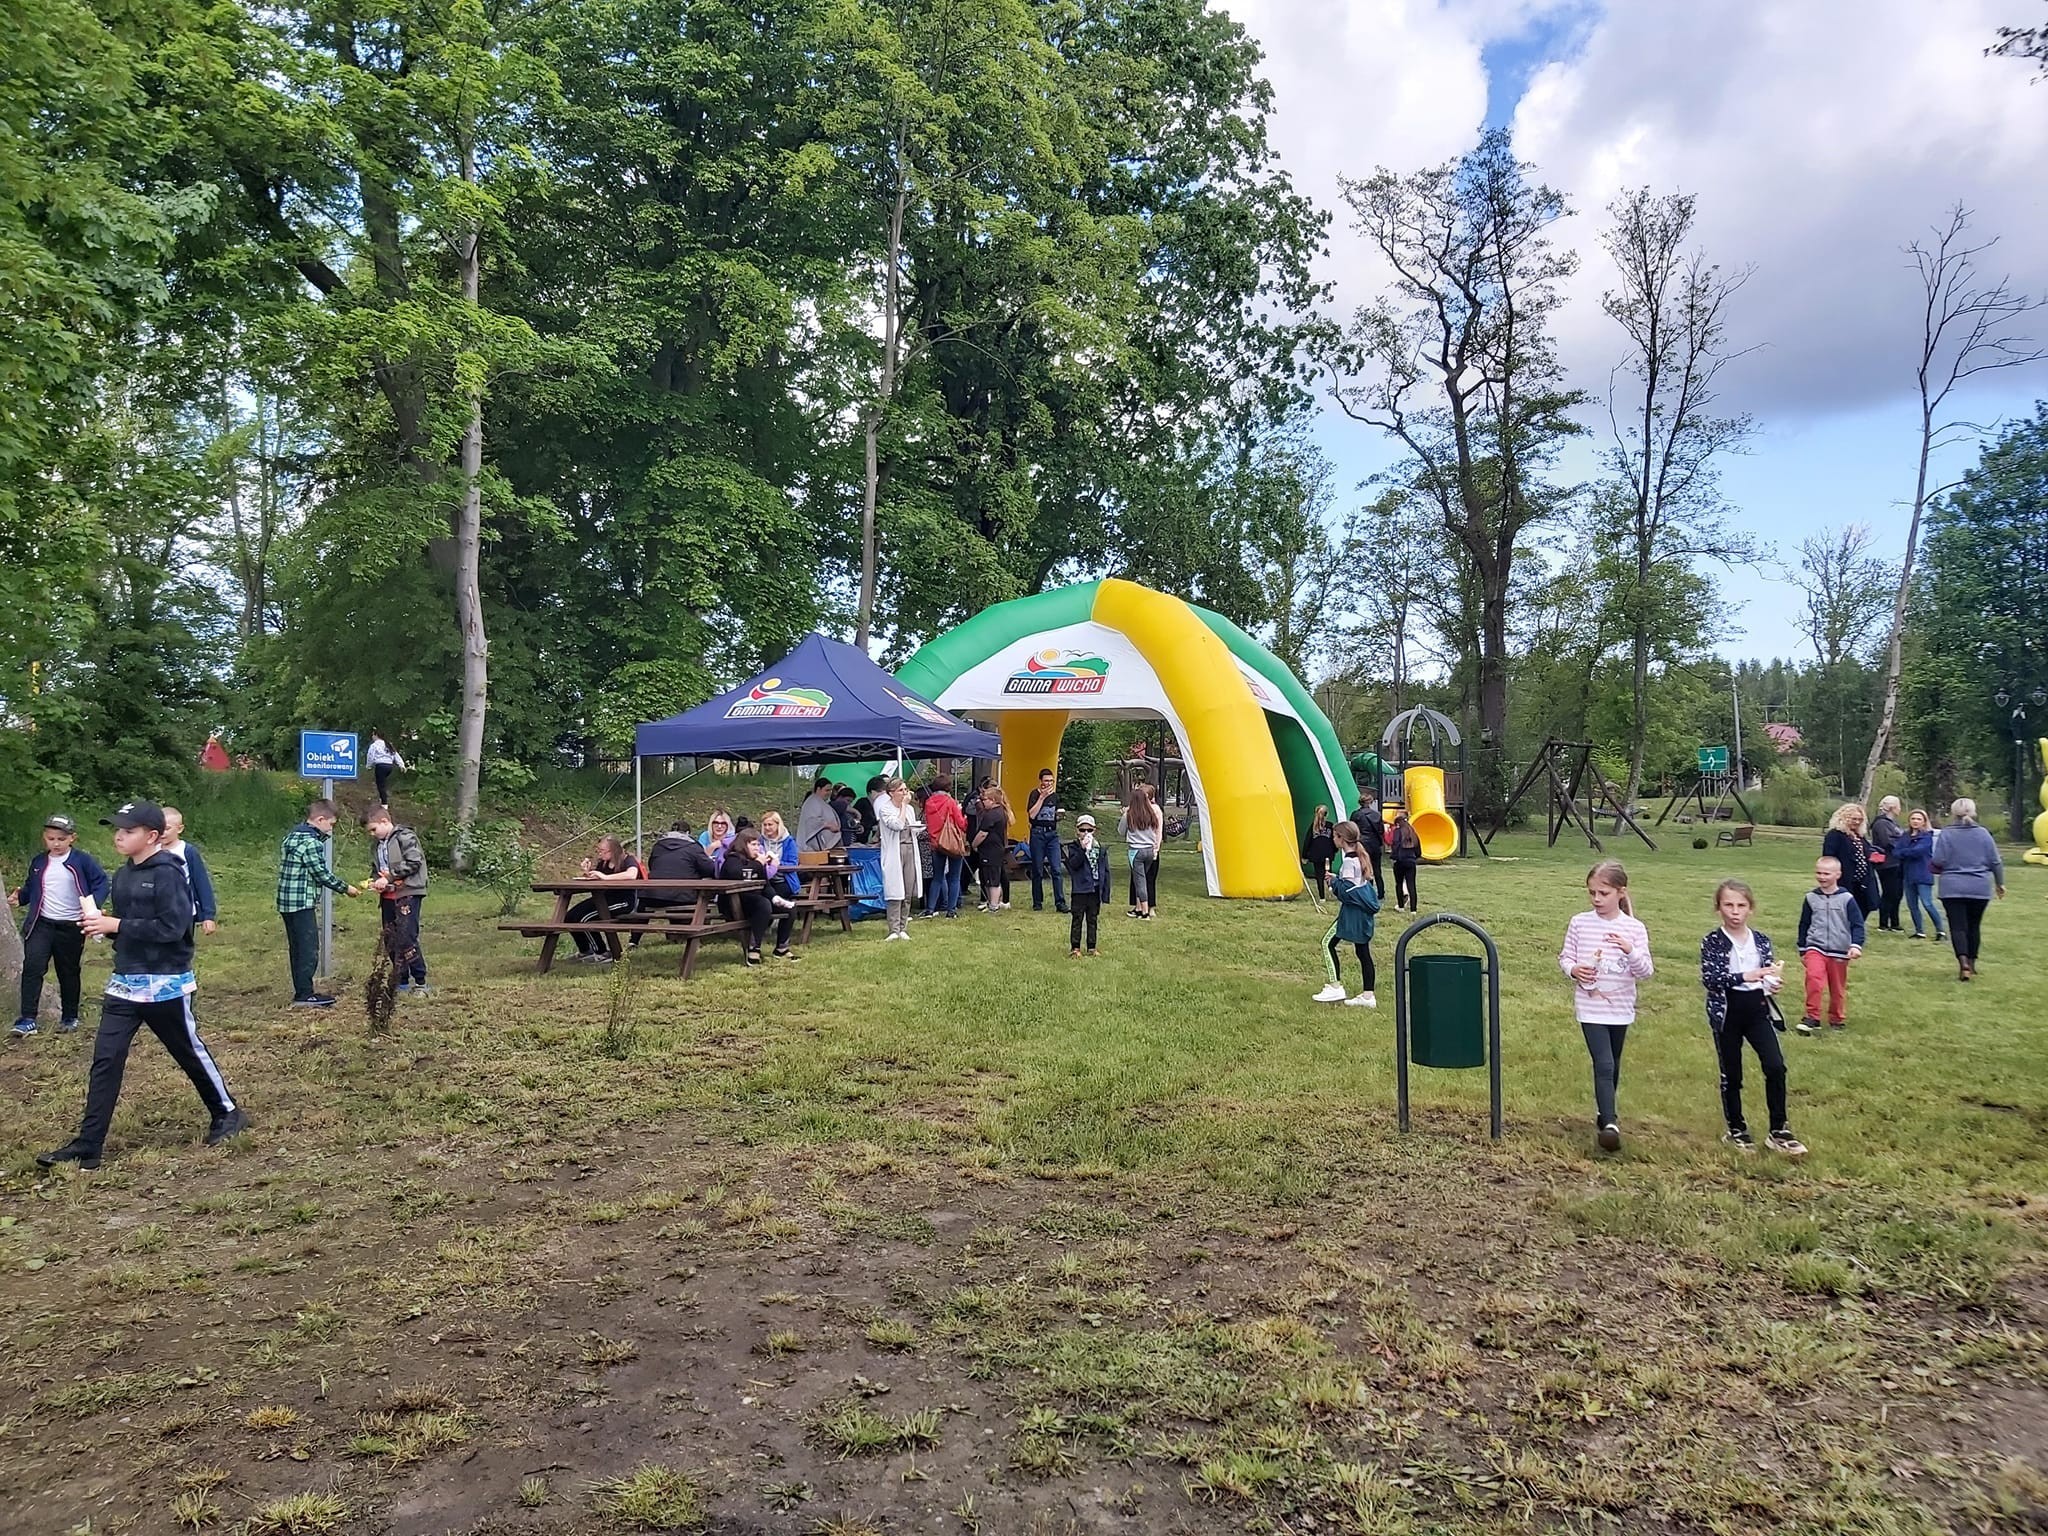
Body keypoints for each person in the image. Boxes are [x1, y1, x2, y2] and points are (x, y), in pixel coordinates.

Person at [37, 802, 244, 1169]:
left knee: (187, 1051)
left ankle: (227, 1112)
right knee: (105, 1060)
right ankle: (89, 1145)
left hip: (166, 982)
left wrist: (116, 925)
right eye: (117, 829)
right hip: (124, 983)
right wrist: (103, 927)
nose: (119, 836)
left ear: (152, 836)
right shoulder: (122, 875)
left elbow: (173, 929)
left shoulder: (169, 873)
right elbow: (129, 927)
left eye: (128, 830)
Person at [1699, 880, 1806, 1157]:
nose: (1735, 911)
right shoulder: (1712, 941)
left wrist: (1771, 983)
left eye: (1741, 905)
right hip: (1727, 1013)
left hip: (1757, 1010)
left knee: (1775, 1066)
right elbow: (1711, 979)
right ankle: (1736, 1129)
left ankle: (1779, 1130)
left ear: (1751, 909)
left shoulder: (1761, 940)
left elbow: (1766, 974)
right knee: (1732, 1074)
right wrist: (1746, 976)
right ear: (1719, 908)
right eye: (1728, 905)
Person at [1559, 859, 1653, 1153]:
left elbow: (1645, 971)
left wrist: (1630, 950)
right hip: (1590, 1006)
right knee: (1604, 1062)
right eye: (1592, 893)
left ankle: (1604, 1113)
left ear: (1621, 892)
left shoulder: (1634, 928)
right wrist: (1574, 970)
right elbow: (1565, 957)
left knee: (1614, 1062)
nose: (1597, 899)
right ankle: (1611, 1125)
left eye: (1604, 893)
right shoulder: (1580, 923)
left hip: (1621, 1008)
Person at [11, 813, 110, 1037]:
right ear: (44, 838)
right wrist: (20, 897)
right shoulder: (39, 862)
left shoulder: (82, 861)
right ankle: (27, 1019)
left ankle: (70, 1017)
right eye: (51, 839)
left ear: (72, 838)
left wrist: (93, 906)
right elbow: (31, 887)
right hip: (42, 924)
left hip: (70, 925)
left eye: (61, 839)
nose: (56, 844)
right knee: (33, 967)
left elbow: (102, 882)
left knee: (68, 971)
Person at [276, 799, 361, 1008]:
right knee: (308, 948)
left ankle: (301, 989)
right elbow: (321, 874)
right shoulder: (311, 843)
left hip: (286, 902)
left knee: (296, 947)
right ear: (320, 819)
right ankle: (305, 994)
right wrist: (346, 888)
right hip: (301, 902)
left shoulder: (291, 836)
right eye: (330, 825)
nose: (330, 830)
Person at [1932, 797, 2005, 983]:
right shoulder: (1983, 834)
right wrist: (2000, 883)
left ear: (1953, 813)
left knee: (1958, 927)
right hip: (1979, 886)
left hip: (1952, 887)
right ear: (1973, 812)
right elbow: (1995, 861)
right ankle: (1972, 963)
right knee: (1974, 926)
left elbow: (1938, 860)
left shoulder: (1946, 834)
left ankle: (1963, 962)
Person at [362, 805, 430, 995]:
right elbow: (377, 869)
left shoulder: (405, 837)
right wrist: (375, 881)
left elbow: (414, 862)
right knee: (390, 938)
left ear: (384, 821)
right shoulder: (377, 845)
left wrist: (390, 877)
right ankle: (401, 979)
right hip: (388, 896)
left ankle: (420, 981)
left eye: (374, 829)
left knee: (407, 937)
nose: (372, 834)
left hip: (408, 893)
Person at [1312, 820, 1380, 1007]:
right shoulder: (1359, 857)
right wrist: (1337, 879)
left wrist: (1333, 883)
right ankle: (1368, 996)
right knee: (1363, 952)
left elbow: (1347, 891)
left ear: (1341, 838)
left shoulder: (1349, 861)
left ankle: (1335, 987)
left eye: (1334, 836)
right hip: (1361, 913)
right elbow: (1356, 884)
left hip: (1352, 913)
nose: (1333, 839)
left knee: (1327, 943)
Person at [1795, 855, 1865, 1033]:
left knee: (1837, 987)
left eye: (1826, 873)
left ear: (1837, 875)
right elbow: (1804, 924)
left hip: (1839, 950)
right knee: (1813, 979)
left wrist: (1856, 945)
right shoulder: (1811, 898)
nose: (1822, 877)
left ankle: (1836, 1018)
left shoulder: (1847, 898)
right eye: (1818, 873)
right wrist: (1803, 948)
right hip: (1815, 947)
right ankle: (1812, 1017)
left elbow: (1857, 924)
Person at [567, 835, 643, 964]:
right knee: (570, 917)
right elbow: (598, 878)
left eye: (602, 851)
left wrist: (606, 877)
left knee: (584, 919)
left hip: (622, 902)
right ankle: (585, 950)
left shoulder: (628, 860)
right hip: (603, 899)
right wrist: (588, 872)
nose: (600, 853)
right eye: (598, 850)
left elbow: (632, 874)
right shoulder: (604, 863)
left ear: (613, 850)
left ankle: (601, 952)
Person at [875, 778, 923, 940]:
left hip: (909, 849)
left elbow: (910, 827)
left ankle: (903, 926)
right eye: (901, 790)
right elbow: (897, 825)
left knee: (908, 890)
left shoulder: (909, 809)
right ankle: (893, 929)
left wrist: (918, 828)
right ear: (891, 793)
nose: (905, 793)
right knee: (895, 891)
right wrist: (902, 806)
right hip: (894, 852)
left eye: (905, 789)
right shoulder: (885, 809)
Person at [160, 808, 219, 938]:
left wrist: (208, 915)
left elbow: (202, 883)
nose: (162, 833)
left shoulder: (188, 851)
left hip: (184, 912)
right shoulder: (150, 850)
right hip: (157, 913)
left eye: (167, 829)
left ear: (180, 829)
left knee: (181, 947)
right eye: (159, 828)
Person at [1061, 813, 1111, 956]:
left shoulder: (1100, 848)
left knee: (1092, 918)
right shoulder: (1074, 847)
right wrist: (1083, 849)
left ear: (1094, 830)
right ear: (1077, 831)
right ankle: (1075, 947)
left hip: (1095, 888)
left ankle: (1092, 946)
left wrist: (1105, 891)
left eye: (1089, 830)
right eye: (1082, 830)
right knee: (1077, 918)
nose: (1086, 833)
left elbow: (1105, 870)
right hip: (1080, 889)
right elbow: (1073, 865)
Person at [1894, 808, 1943, 943]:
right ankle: (1919, 931)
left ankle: (1940, 930)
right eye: (1913, 819)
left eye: (1919, 819)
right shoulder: (1905, 836)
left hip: (1923, 874)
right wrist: (1906, 852)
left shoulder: (1927, 836)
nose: (1915, 821)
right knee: (1912, 905)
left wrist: (1905, 852)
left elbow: (1917, 852)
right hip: (1908, 874)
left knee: (1927, 903)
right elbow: (1896, 852)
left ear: (1924, 821)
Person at [1821, 803, 1879, 917]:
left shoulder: (1859, 836)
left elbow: (1865, 853)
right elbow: (1829, 858)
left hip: (1863, 882)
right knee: (1845, 913)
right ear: (1843, 818)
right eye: (1853, 819)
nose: (1857, 822)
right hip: (1845, 881)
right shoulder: (1835, 835)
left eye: (1859, 819)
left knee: (1864, 908)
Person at [757, 809, 801, 958]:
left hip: (784, 880)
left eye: (770, 824)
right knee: (766, 900)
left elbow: (793, 864)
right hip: (765, 880)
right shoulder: (759, 841)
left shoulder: (789, 841)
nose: (767, 828)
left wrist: (776, 864)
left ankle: (780, 942)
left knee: (779, 900)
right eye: (765, 825)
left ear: (778, 825)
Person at [1025, 768, 1070, 914]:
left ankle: (1060, 902)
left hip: (1052, 835)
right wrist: (1042, 798)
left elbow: (1060, 813)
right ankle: (1037, 902)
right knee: (1037, 869)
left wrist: (1060, 815)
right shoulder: (1034, 794)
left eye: (1051, 781)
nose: (1049, 783)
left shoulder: (1055, 796)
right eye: (1046, 781)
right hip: (1038, 833)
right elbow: (1032, 815)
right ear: (1041, 781)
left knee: (1056, 869)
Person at [921, 781, 969, 918]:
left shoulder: (928, 802)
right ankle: (951, 910)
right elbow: (961, 824)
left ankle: (930, 909)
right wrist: (965, 818)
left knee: (937, 877)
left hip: (935, 843)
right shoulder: (950, 801)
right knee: (954, 878)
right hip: (951, 842)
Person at [1119, 788, 1161, 920]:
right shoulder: (1151, 813)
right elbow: (1156, 830)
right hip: (1149, 850)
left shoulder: (1129, 815)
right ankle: (1138, 908)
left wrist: (1124, 815)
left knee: (1140, 881)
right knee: (1141, 880)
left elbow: (1121, 831)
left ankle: (1145, 912)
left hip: (1135, 851)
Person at [971, 784, 1012, 911]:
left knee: (992, 878)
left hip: (991, 850)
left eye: (985, 799)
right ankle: (991, 903)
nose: (983, 802)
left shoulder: (992, 815)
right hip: (995, 849)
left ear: (993, 800)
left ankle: (994, 905)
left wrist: (974, 844)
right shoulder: (1000, 812)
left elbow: (983, 833)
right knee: (989, 877)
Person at [1869, 796, 1905, 932]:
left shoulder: (1892, 823)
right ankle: (1883, 923)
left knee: (1897, 893)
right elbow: (1886, 842)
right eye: (1898, 806)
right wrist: (1903, 846)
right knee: (1889, 893)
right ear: (1892, 807)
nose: (1900, 809)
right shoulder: (1881, 823)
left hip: (1896, 862)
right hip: (1887, 863)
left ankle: (1895, 922)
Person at [796, 777, 841, 853]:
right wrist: (829, 825)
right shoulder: (812, 802)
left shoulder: (819, 801)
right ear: (818, 789)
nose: (829, 793)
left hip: (822, 848)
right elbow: (812, 821)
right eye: (827, 790)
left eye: (830, 790)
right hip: (811, 848)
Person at [1388, 811, 1422, 912]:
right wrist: (1415, 857)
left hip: (1400, 860)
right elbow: (1418, 848)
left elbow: (1395, 845)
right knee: (1411, 885)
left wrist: (1394, 857)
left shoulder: (1397, 832)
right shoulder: (1412, 831)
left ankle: (1401, 906)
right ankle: (1413, 910)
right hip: (1411, 860)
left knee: (1399, 884)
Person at [1301, 805, 1336, 899]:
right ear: (1327, 814)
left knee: (1319, 876)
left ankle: (1322, 897)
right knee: (1328, 872)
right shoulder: (1330, 826)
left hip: (1316, 855)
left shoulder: (1313, 827)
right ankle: (1331, 888)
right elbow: (1334, 839)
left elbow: (1307, 841)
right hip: (1328, 854)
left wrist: (1304, 855)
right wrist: (1334, 850)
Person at [1351, 787, 1384, 888]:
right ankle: (1381, 892)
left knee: (1364, 868)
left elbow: (1352, 830)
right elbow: (1381, 831)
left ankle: (1368, 890)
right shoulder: (1377, 815)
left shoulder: (1356, 815)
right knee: (1377, 870)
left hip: (1362, 844)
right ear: (1370, 802)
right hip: (1375, 844)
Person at [366, 731, 406, 805]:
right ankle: (382, 798)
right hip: (389, 766)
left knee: (380, 784)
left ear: (376, 735)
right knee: (383, 782)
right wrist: (401, 765)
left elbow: (370, 755)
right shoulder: (388, 744)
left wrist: (369, 765)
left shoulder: (374, 745)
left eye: (373, 735)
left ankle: (384, 803)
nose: (372, 737)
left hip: (380, 766)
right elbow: (396, 755)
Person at [855, 777, 885, 845]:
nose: (881, 794)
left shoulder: (883, 805)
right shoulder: (862, 803)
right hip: (861, 841)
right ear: (871, 792)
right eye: (879, 791)